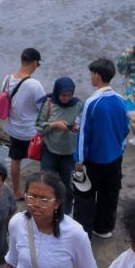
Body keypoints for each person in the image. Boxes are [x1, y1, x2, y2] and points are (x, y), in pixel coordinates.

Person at [73, 58, 131, 239]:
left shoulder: (92, 102)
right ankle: (104, 228)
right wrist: (120, 150)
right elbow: (125, 129)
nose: (91, 77)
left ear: (97, 75)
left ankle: (83, 233)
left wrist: (79, 159)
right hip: (115, 158)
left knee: (85, 195)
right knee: (110, 194)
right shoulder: (121, 100)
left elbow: (83, 134)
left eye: (92, 74)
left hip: (94, 159)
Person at [0, 48, 47, 199]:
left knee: (16, 159)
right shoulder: (35, 85)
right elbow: (42, 108)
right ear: (35, 63)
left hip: (13, 129)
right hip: (31, 131)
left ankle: (16, 191)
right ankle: (41, 190)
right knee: (43, 160)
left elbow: (5, 97)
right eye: (38, 64)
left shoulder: (7, 79)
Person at [35, 77, 82, 208]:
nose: (66, 98)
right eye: (63, 95)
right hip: (50, 151)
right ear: (57, 93)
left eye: (69, 95)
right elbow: (38, 127)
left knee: (69, 184)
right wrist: (54, 125)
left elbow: (85, 124)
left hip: (69, 153)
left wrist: (77, 128)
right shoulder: (49, 104)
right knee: (47, 181)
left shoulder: (78, 105)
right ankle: (46, 206)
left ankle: (65, 210)